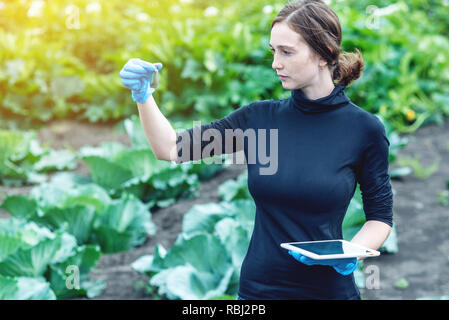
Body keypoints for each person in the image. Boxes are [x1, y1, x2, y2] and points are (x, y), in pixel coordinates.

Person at [119, 0, 393, 300]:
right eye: (273, 51)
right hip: (259, 291)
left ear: (323, 54)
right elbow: (171, 148)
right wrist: (144, 97)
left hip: (328, 292)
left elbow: (379, 217)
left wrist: (350, 254)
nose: (276, 63)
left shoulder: (363, 130)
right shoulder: (261, 122)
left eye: (287, 52)